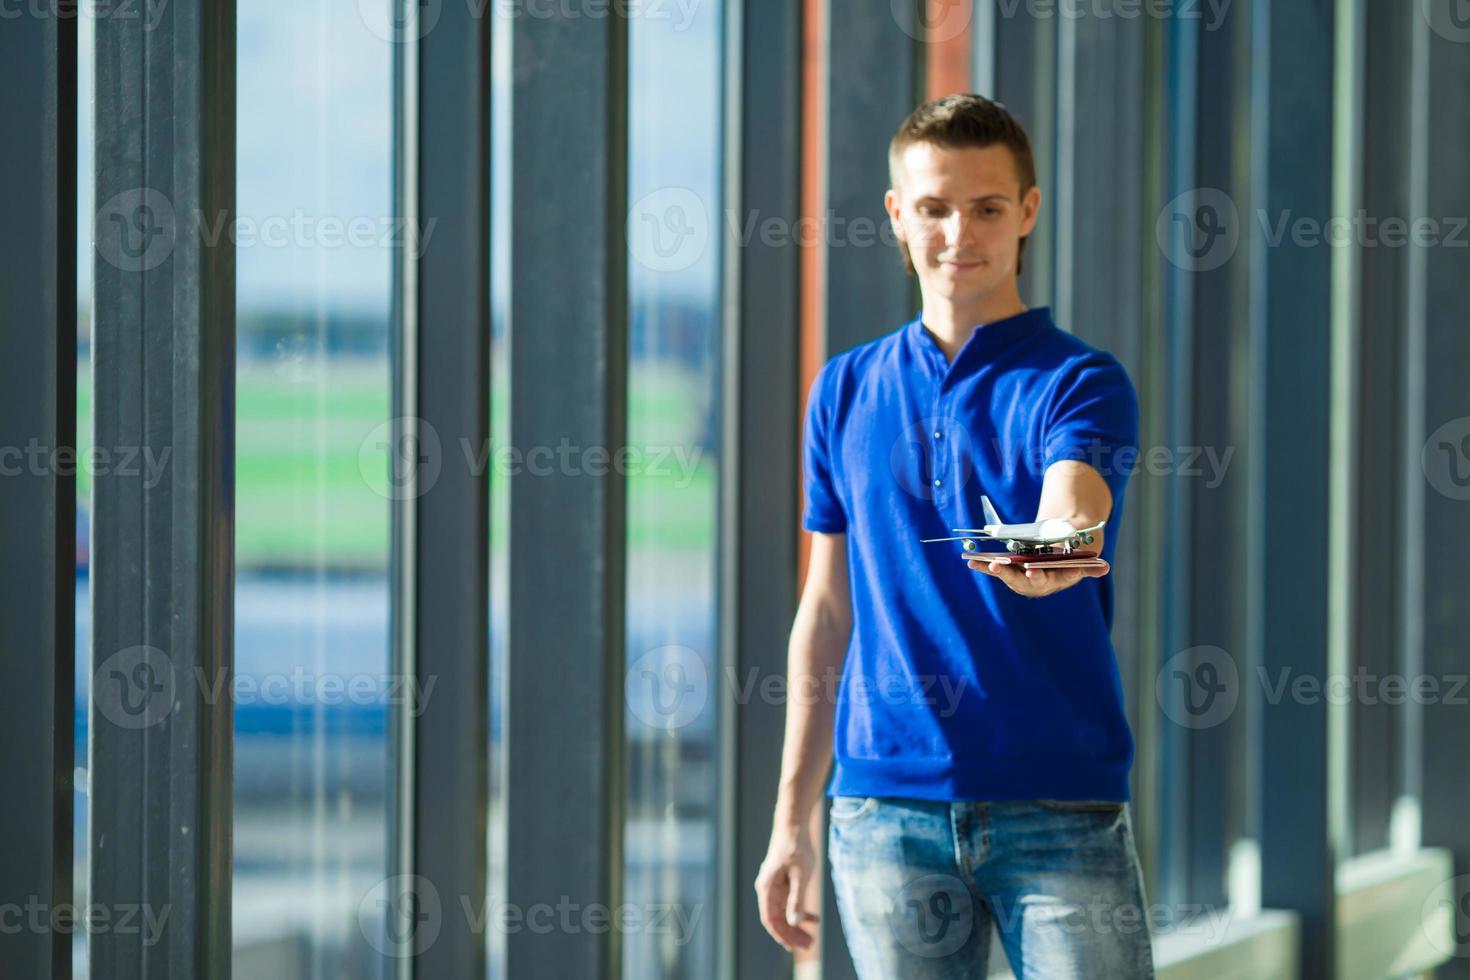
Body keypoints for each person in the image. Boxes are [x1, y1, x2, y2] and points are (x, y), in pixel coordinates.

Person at [754, 93, 1155, 978]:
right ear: (898, 216)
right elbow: (825, 611)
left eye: (986, 208)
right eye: (934, 208)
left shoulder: (1079, 380)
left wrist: (1052, 550)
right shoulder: (845, 389)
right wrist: (792, 820)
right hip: (881, 812)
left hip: (1058, 802)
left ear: (1028, 213)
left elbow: (1072, 509)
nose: (958, 234)